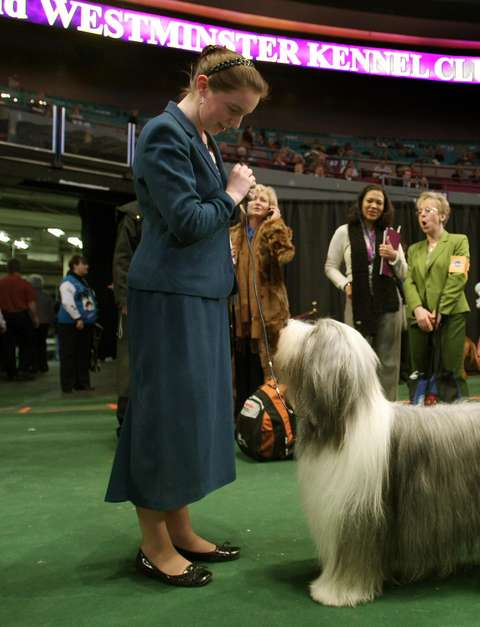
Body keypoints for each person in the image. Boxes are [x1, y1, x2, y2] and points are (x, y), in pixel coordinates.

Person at [105, 45, 268, 586]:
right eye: (233, 109)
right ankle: (153, 544)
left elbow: (205, 215)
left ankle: (179, 528)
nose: (235, 122)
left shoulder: (199, 137)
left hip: (197, 295)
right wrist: (233, 193)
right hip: (168, 297)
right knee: (162, 419)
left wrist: (234, 200)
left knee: (189, 417)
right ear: (202, 86)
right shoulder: (163, 133)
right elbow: (186, 220)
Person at [325, 184, 406, 400]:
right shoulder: (344, 232)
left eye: (379, 202)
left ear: (384, 207)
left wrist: (394, 257)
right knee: (357, 359)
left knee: (388, 362)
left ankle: (389, 413)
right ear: (361, 203)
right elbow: (330, 267)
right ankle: (358, 411)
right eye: (370, 200)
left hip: (389, 304)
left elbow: (404, 272)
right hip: (357, 302)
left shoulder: (390, 235)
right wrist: (345, 284)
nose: (374, 206)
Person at [230, 184, 294, 411]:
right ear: (244, 204)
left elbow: (286, 255)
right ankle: (243, 419)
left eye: (264, 200)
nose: (257, 202)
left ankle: (274, 421)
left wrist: (276, 224)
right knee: (242, 368)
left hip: (268, 313)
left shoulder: (274, 231)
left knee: (270, 368)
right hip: (238, 315)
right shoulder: (233, 233)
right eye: (254, 198)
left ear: (271, 207)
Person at [403, 191, 470, 400]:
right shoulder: (414, 250)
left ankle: (462, 420)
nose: (422, 215)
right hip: (420, 319)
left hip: (451, 315)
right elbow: (408, 281)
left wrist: (441, 310)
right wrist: (418, 309)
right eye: (419, 211)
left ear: (442, 216)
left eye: (428, 211)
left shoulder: (458, 241)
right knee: (420, 371)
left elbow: (458, 277)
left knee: (451, 370)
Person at [112, 200, 142, 437]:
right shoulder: (134, 214)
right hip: (135, 301)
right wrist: (124, 299)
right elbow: (122, 260)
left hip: (163, 301)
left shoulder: (172, 205)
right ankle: (125, 421)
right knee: (130, 361)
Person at [57, 255, 98, 393]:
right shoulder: (68, 283)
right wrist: (77, 318)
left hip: (84, 324)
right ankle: (68, 385)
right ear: (75, 265)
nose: (87, 267)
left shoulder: (82, 282)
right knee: (69, 354)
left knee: (83, 354)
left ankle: (82, 383)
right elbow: (67, 302)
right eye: (84, 264)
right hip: (71, 324)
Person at [0, 258, 39, 381]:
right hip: (22, 317)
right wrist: (35, 318)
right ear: (19, 269)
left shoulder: (1, 283)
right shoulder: (25, 284)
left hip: (5, 316)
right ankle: (23, 370)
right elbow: (31, 304)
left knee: (7, 345)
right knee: (26, 344)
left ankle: (9, 372)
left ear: (8, 269)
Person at [29, 275, 54, 373]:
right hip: (44, 323)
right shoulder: (47, 295)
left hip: (32, 323)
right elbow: (51, 311)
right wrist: (52, 324)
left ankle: (34, 366)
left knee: (32, 345)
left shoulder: (29, 295)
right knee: (42, 344)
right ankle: (43, 366)